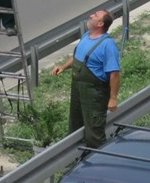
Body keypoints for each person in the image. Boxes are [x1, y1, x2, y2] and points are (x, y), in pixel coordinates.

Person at [51, 9, 121, 148]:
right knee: (75, 126)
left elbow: (114, 74)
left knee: (94, 132)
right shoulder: (86, 36)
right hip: (78, 89)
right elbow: (78, 58)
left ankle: (99, 163)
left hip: (94, 94)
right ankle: (76, 161)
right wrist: (64, 67)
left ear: (100, 23)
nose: (91, 16)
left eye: (95, 16)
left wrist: (113, 98)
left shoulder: (108, 45)